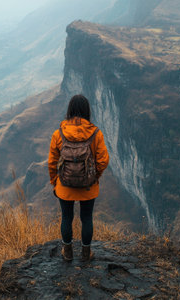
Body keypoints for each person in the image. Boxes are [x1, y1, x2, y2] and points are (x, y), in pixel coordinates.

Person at [48, 94, 109, 261]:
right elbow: (103, 160)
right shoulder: (96, 134)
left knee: (66, 217)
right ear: (86, 111)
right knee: (86, 218)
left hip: (64, 186)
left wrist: (55, 181)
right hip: (88, 187)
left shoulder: (58, 134)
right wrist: (94, 176)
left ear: (70, 110)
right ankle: (86, 253)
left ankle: (67, 253)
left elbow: (52, 162)